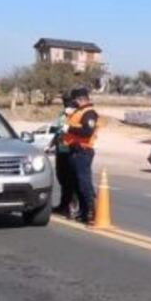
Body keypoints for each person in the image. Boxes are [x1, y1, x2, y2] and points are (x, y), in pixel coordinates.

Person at [61, 87, 100, 224]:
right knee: (77, 183)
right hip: (74, 151)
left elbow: (86, 132)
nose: (73, 103)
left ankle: (91, 211)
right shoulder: (78, 112)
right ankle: (83, 212)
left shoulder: (89, 113)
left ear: (81, 99)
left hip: (83, 151)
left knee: (84, 183)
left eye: (75, 101)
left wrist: (69, 129)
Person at [51, 98, 79, 218]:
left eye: (69, 105)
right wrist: (51, 144)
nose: (66, 107)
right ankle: (63, 206)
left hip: (70, 151)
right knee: (62, 178)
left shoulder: (77, 116)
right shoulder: (62, 115)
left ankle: (73, 207)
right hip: (60, 150)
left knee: (71, 181)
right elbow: (56, 131)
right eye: (65, 105)